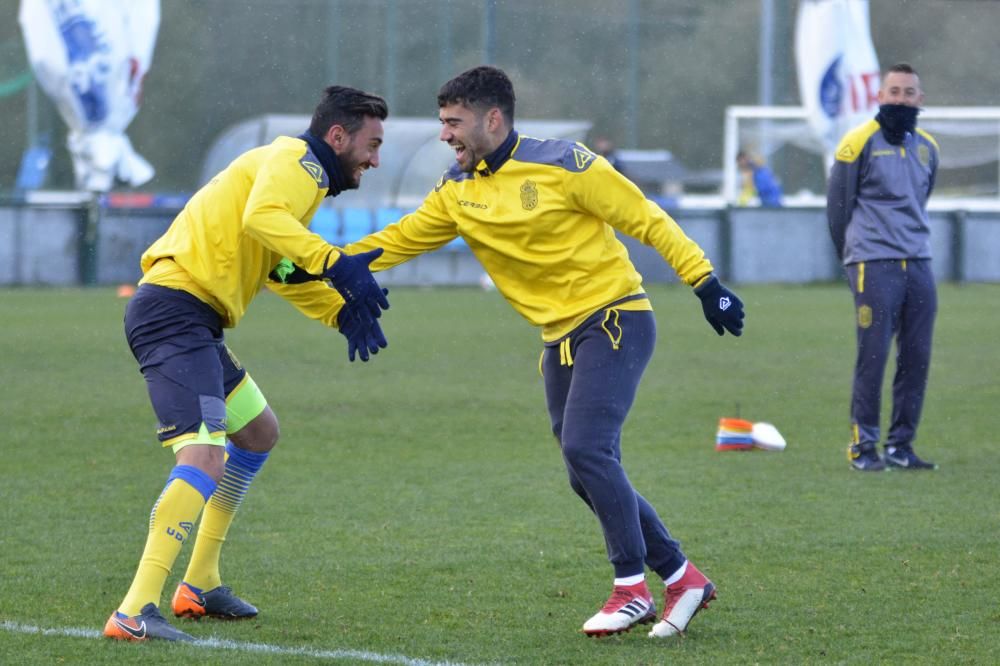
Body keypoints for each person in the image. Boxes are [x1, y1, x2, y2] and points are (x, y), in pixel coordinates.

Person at [351, 65, 745, 638]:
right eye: (441, 124)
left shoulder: (565, 163)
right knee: (583, 470)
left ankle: (630, 588)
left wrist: (704, 282)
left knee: (588, 448)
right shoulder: (457, 190)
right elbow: (396, 240)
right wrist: (319, 264)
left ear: (492, 118)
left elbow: (646, 217)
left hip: (614, 318)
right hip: (558, 339)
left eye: (453, 123)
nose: (444, 136)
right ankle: (682, 577)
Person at [103, 85, 391, 642]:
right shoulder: (298, 164)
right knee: (206, 454)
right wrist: (335, 261)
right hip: (173, 311)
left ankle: (199, 584)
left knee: (258, 433)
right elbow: (264, 219)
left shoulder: (295, 178)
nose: (375, 159)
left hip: (196, 318)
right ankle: (135, 610)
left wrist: (339, 313)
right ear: (337, 136)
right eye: (371, 144)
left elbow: (278, 267)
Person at [827, 63, 940, 472]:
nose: (900, 99)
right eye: (893, 91)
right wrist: (853, 255)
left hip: (920, 263)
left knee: (917, 356)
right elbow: (838, 206)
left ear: (920, 100)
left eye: (909, 93)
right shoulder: (857, 143)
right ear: (879, 96)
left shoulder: (928, 147)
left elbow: (922, 196)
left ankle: (901, 446)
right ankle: (864, 446)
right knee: (872, 356)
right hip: (873, 264)